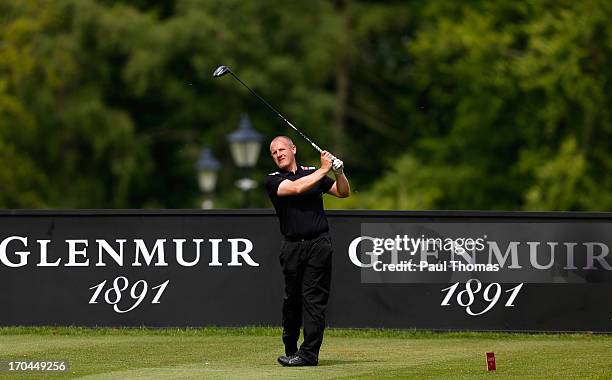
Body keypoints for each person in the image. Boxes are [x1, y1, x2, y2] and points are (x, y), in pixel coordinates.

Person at [265, 135, 350, 367]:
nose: (278, 154)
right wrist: (325, 169)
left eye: (282, 149)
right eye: (273, 152)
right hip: (292, 246)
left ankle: (309, 354)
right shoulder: (274, 180)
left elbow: (343, 193)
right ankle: (291, 348)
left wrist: (339, 173)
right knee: (292, 301)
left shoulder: (312, 172)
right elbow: (295, 188)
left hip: (318, 244)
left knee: (313, 300)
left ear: (293, 149)